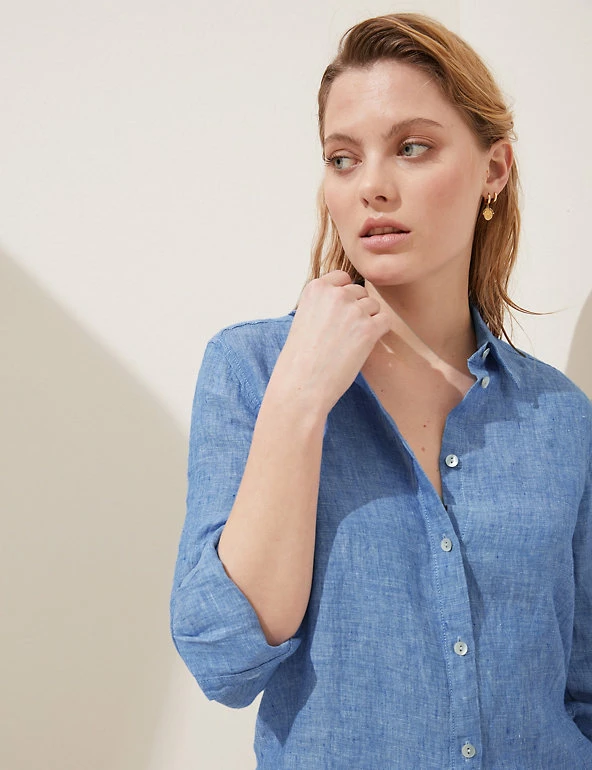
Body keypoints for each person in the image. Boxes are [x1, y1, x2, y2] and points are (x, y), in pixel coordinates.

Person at [170, 12, 592, 768]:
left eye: (412, 148)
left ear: (494, 170)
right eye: (343, 158)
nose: (372, 186)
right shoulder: (253, 371)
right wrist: (300, 402)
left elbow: (584, 687)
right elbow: (224, 659)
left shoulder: (560, 418)